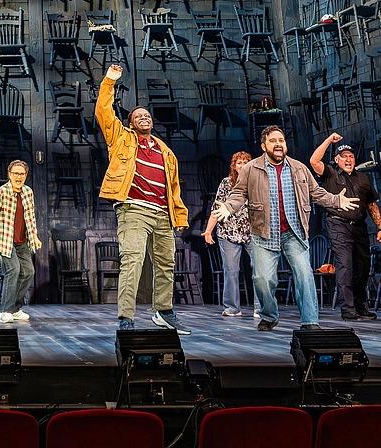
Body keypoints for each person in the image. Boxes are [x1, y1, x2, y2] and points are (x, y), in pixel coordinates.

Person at [213, 126, 359, 331]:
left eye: (281, 140)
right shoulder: (251, 168)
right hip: (263, 233)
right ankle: (269, 315)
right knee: (263, 280)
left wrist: (336, 200)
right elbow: (239, 194)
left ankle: (310, 321)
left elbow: (316, 193)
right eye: (273, 141)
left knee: (304, 276)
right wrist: (228, 207)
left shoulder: (298, 168)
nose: (278, 144)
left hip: (294, 232)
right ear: (264, 146)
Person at [95, 64, 191, 334]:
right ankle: (126, 317)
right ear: (131, 122)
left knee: (167, 263)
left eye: (147, 115)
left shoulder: (165, 151)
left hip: (163, 213)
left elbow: (173, 188)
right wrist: (110, 81)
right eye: (138, 116)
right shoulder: (121, 138)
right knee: (132, 260)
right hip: (134, 209)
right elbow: (103, 111)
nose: (144, 118)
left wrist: (179, 216)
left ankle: (164, 311)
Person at [309, 133, 381, 322]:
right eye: (344, 156)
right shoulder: (330, 174)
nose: (348, 159)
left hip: (359, 227)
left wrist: (380, 227)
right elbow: (314, 160)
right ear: (337, 159)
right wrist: (328, 141)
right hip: (337, 224)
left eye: (351, 156)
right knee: (345, 265)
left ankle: (361, 306)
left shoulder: (363, 179)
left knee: (363, 267)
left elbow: (371, 205)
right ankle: (348, 309)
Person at [201, 151, 260, 318]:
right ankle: (232, 308)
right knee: (231, 270)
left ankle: (261, 307)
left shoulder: (256, 182)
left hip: (252, 232)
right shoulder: (226, 183)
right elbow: (217, 208)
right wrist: (208, 230)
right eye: (239, 163)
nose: (242, 165)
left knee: (260, 270)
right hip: (228, 231)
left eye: (245, 162)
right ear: (234, 166)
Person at [0, 160, 41, 323]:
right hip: (5, 241)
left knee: (29, 272)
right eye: (15, 173)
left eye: (22, 174)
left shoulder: (28, 192)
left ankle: (15, 308)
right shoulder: (1, 192)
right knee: (13, 270)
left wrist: (34, 237)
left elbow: (30, 217)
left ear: (26, 175)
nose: (19, 177)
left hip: (22, 242)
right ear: (9, 175)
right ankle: (5, 310)